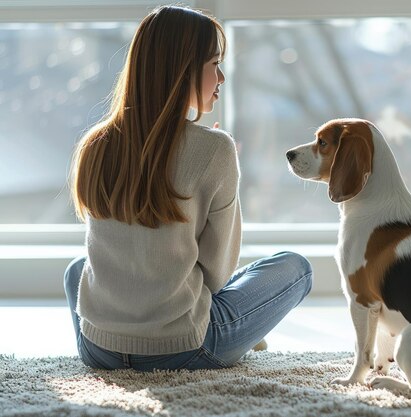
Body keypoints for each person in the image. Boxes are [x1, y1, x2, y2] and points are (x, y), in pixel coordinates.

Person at [64, 5, 313, 371]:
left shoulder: (94, 144)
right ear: (182, 70)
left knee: (77, 269)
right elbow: (216, 274)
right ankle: (238, 336)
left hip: (98, 348)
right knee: (297, 267)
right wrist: (214, 158)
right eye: (214, 64)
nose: (222, 77)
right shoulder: (216, 149)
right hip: (184, 349)